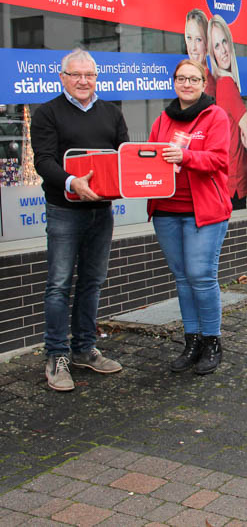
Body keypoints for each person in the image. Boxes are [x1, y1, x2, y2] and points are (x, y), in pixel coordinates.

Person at [31, 48, 129, 391]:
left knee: (92, 281)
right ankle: (56, 355)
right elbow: (44, 161)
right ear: (63, 78)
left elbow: (124, 156)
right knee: (59, 284)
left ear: (96, 78)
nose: (83, 81)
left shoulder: (112, 113)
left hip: (101, 212)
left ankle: (84, 349)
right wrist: (73, 183)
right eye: (76, 75)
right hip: (64, 211)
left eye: (89, 75)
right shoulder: (47, 114)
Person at [147, 58, 232, 375]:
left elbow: (219, 159)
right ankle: (192, 340)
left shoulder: (215, 116)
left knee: (200, 275)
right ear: (174, 82)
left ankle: (212, 341)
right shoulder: (162, 120)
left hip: (204, 210)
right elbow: (151, 158)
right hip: (167, 211)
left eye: (193, 79)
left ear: (203, 83)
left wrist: (186, 155)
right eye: (181, 78)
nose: (187, 84)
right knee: (183, 278)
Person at [208, 14, 247, 209]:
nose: (223, 50)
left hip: (227, 180)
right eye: (216, 46)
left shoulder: (222, 83)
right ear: (211, 53)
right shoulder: (226, 85)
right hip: (233, 182)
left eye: (224, 42)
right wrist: (246, 137)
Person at [183, 8, 214, 98]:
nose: (193, 47)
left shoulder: (208, 87)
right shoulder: (191, 79)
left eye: (198, 39)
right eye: (189, 38)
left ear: (207, 43)